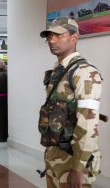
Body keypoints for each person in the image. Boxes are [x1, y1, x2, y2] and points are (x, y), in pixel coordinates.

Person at [39, 17, 102, 188]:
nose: (52, 40)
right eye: (49, 36)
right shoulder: (58, 71)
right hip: (55, 154)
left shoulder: (85, 73)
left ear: (74, 37)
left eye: (59, 35)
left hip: (73, 159)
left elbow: (88, 124)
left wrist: (78, 168)